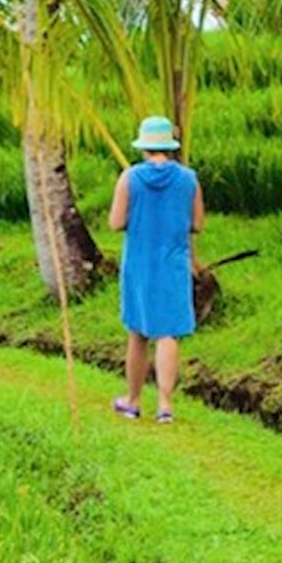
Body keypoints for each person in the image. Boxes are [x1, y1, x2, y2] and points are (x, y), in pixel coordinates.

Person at [108, 113, 202, 422]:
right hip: (174, 263)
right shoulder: (189, 179)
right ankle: (165, 405)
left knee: (137, 332)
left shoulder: (130, 178)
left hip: (139, 264)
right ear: (171, 146)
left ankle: (133, 400)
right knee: (168, 333)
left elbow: (116, 222)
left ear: (143, 146)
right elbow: (197, 224)